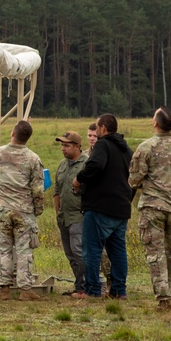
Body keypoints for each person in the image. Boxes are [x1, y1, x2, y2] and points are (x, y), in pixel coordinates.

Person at [129, 107, 171, 310]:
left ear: (155, 123)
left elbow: (133, 179)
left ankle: (163, 298)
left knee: (155, 253)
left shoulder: (146, 148)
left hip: (152, 208)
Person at [0, 120, 46, 301]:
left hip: (2, 211)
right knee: (24, 251)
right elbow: (37, 190)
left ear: (13, 134)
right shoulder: (33, 159)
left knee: (4, 250)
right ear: (27, 138)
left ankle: (4, 290)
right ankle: (25, 290)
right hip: (24, 212)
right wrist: (37, 210)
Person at [72, 113, 134, 299]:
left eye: (97, 127)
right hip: (121, 208)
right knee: (118, 252)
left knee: (92, 250)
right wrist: (126, 199)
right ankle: (118, 291)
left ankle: (92, 291)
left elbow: (96, 165)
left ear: (104, 129)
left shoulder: (102, 145)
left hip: (99, 207)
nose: (95, 130)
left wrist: (79, 179)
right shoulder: (128, 151)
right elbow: (135, 179)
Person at [53, 131, 87, 298]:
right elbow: (57, 190)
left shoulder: (86, 164)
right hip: (64, 217)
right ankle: (79, 285)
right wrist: (57, 211)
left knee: (78, 250)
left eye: (66, 145)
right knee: (70, 253)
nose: (63, 149)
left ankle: (91, 284)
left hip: (79, 216)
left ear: (77, 146)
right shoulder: (62, 165)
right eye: (62, 145)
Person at [86, 121, 112, 295]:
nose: (92, 139)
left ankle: (110, 279)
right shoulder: (86, 155)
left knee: (106, 249)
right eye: (89, 136)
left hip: (104, 205)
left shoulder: (105, 152)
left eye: (95, 136)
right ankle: (94, 283)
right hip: (89, 206)